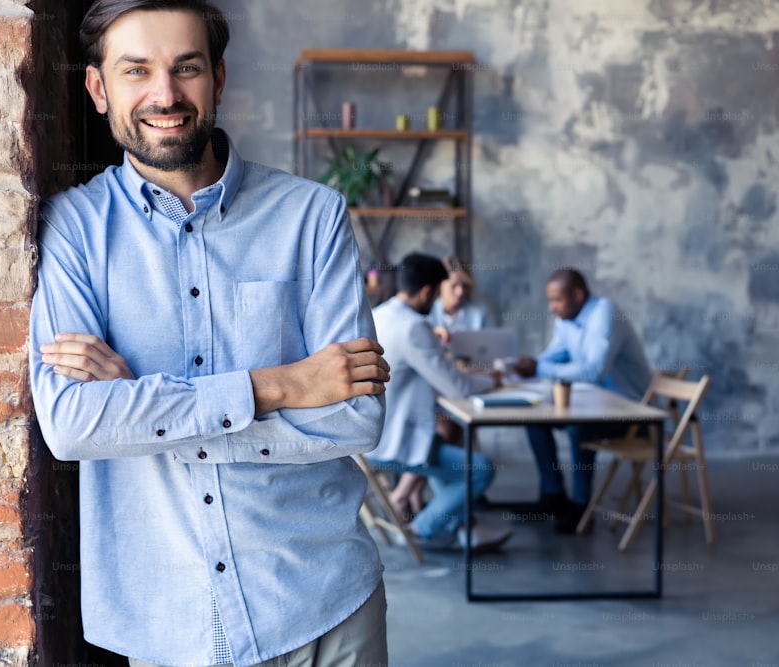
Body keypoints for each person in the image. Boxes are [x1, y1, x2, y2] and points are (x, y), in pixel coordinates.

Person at [29, 2, 391, 665]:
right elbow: (74, 425)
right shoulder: (75, 229)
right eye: (136, 71)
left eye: (185, 68)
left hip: (324, 607)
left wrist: (140, 406)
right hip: (168, 623)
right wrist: (278, 385)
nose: (164, 95)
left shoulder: (313, 218)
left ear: (218, 79)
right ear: (98, 88)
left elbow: (355, 418)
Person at [366, 254, 512, 553]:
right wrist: (494, 380)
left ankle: (461, 526)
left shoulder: (379, 315)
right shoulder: (414, 328)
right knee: (480, 469)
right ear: (427, 292)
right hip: (393, 445)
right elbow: (456, 387)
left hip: (372, 437)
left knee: (449, 446)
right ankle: (423, 529)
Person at [512, 268, 653, 533]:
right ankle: (553, 495)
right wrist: (523, 365)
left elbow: (592, 370)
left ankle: (581, 507)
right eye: (550, 301)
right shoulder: (566, 318)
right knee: (533, 419)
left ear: (578, 295)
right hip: (597, 404)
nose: (552, 308)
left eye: (557, 300)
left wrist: (539, 369)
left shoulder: (604, 314)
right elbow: (555, 355)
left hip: (632, 413)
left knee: (580, 427)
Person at [427, 256, 489, 344]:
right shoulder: (426, 313)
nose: (460, 292)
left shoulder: (479, 313)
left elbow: (486, 348)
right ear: (440, 285)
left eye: (464, 286)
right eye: (454, 285)